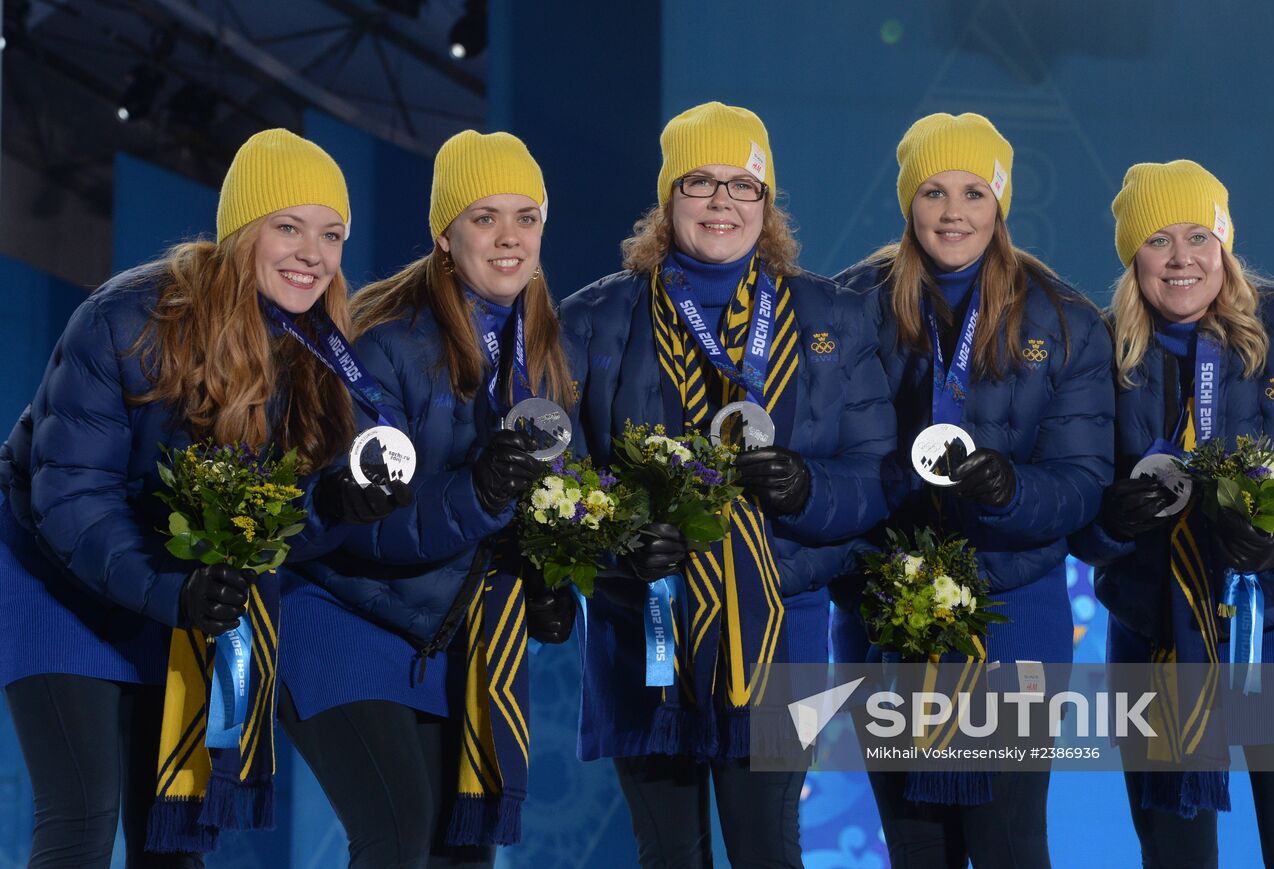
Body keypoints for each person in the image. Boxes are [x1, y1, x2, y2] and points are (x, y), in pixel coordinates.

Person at [0, 129, 407, 866]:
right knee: (84, 817)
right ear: (242, 231)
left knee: (174, 831)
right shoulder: (127, 318)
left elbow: (264, 528)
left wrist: (332, 506)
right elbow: (72, 498)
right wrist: (171, 591)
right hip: (54, 573)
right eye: (288, 226)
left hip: (178, 584)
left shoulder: (316, 356)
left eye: (332, 234)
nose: (312, 253)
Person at [559, 101, 894, 868]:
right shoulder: (595, 316)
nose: (721, 202)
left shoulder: (830, 315)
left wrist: (805, 488)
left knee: (770, 848)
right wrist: (619, 545)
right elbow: (564, 481)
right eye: (699, 182)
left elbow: (878, 477)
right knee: (670, 853)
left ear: (767, 203)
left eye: (743, 185)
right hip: (643, 629)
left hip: (783, 629)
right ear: (667, 200)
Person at [1070, 160, 1274, 869]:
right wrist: (1110, 524)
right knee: (1173, 857)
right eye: (1158, 240)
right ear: (1132, 255)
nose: (1181, 258)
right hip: (1158, 635)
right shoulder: (1095, 354)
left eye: (1198, 235)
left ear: (1224, 243)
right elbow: (1073, 505)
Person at [279, 130, 576, 868]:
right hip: (341, 617)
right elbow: (360, 529)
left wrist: (548, 582)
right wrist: (475, 494)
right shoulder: (386, 344)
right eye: (484, 218)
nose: (509, 238)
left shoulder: (541, 354)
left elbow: (537, 515)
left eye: (526, 217)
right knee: (396, 830)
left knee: (461, 848)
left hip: (446, 640)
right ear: (445, 236)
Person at [830, 112, 1115, 869]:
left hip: (1013, 615)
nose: (954, 212)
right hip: (888, 616)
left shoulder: (1067, 321)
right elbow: (829, 458)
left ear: (1001, 204)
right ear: (907, 203)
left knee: (1009, 844)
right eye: (933, 191)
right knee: (915, 845)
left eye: (974, 192)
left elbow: (1085, 483)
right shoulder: (848, 309)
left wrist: (1011, 488)